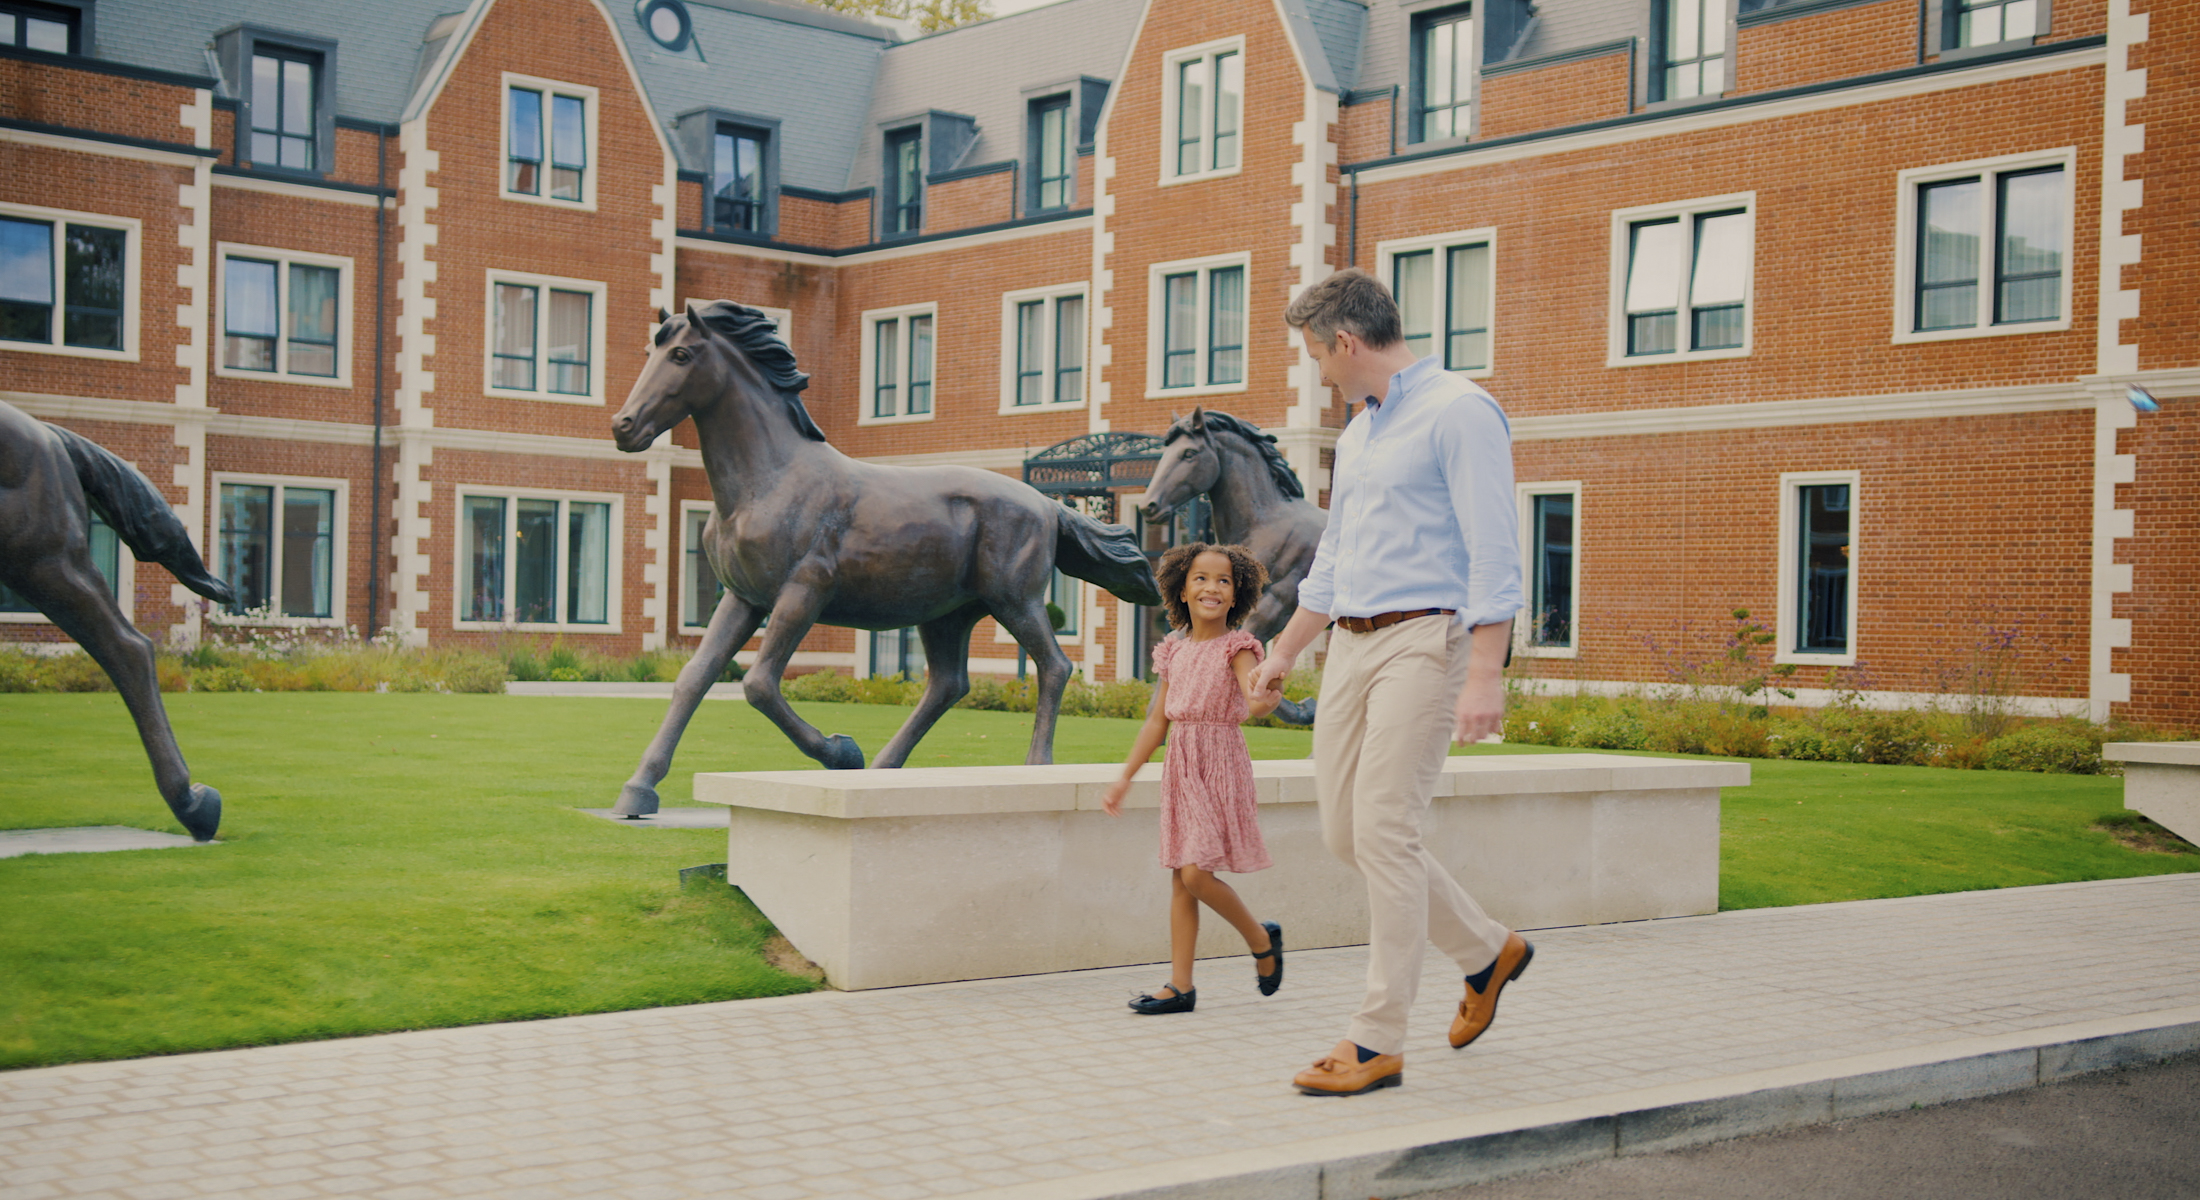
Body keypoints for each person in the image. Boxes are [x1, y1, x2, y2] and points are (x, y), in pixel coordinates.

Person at [1250, 267, 1530, 1096]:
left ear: (1346, 340)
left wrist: (1485, 671)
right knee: (1348, 834)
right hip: (1351, 646)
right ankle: (1488, 952)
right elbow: (1335, 562)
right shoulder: (1362, 436)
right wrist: (1286, 649)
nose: (1318, 373)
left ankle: (1376, 1039)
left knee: (1384, 831)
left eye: (1316, 355)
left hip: (1424, 640)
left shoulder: (1460, 412)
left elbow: (1495, 550)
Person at [1103, 542, 1286, 1013]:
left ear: (1235, 594)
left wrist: (1267, 698)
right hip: (1181, 763)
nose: (1212, 587)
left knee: (1195, 872)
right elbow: (1156, 722)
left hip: (1219, 762)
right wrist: (1125, 777)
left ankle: (1259, 939)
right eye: (1201, 578)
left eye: (1223, 580)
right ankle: (1180, 985)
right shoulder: (1174, 652)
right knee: (1180, 879)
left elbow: (1255, 697)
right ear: (1182, 590)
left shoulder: (1238, 647)